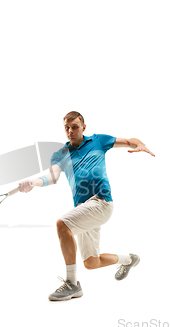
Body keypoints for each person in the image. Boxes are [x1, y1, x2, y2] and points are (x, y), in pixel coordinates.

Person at [19, 111, 155, 301]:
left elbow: (128, 140)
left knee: (62, 224)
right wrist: (34, 182)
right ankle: (129, 259)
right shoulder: (61, 154)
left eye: (74, 126)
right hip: (84, 209)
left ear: (83, 127)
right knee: (91, 262)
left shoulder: (99, 140)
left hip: (101, 201)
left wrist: (140, 144)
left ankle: (72, 284)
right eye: (67, 127)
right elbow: (52, 176)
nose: (70, 131)